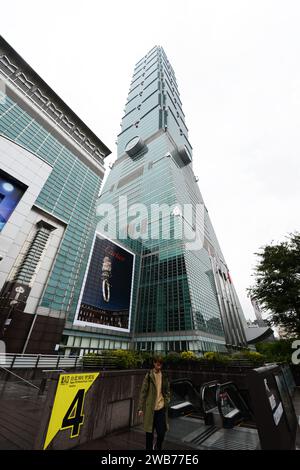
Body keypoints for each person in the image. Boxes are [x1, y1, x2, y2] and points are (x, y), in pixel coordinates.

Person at [137, 355, 170, 450]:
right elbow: (143, 391)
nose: (158, 364)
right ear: (154, 363)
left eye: (160, 363)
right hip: (150, 409)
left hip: (161, 408)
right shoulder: (149, 375)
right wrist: (140, 408)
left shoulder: (164, 376)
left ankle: (158, 447)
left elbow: (167, 390)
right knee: (149, 435)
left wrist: (166, 400)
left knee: (161, 433)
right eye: (156, 362)